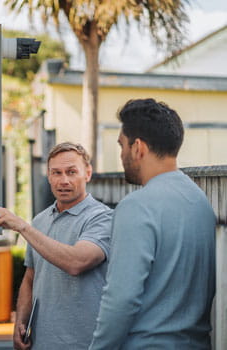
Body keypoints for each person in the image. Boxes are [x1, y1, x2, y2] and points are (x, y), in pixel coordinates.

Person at [89, 98, 216, 349]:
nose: (122, 154)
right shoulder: (200, 202)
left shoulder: (136, 206)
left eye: (121, 145)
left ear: (138, 148)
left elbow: (121, 299)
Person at [0, 142, 113, 350]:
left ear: (87, 173)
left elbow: (77, 262)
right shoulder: (41, 221)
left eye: (72, 172)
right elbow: (30, 278)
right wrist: (20, 321)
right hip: (41, 343)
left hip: (86, 344)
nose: (64, 181)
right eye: (56, 173)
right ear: (49, 176)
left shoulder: (102, 218)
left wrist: (22, 227)